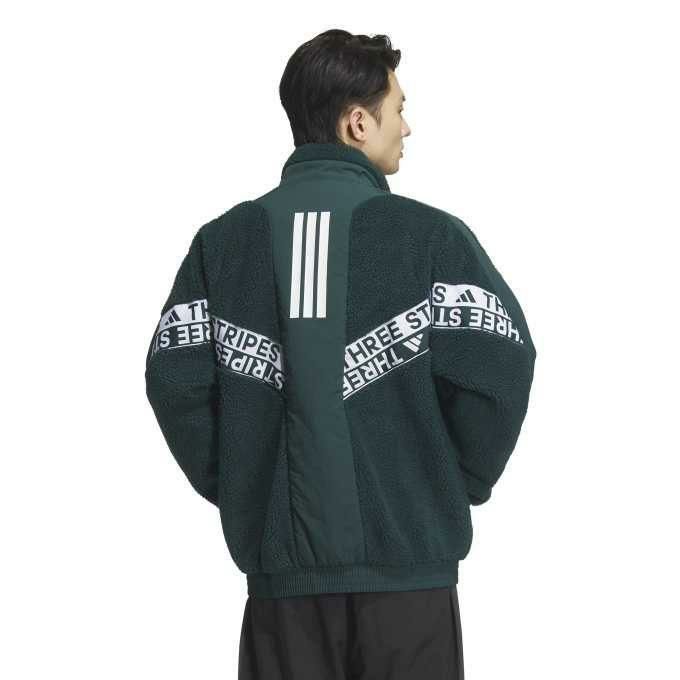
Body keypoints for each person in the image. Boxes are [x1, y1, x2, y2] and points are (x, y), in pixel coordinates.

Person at [145, 28, 536, 680]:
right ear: (358, 123)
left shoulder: (222, 244)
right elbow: (501, 367)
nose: (407, 127)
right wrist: (450, 483)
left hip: (282, 599)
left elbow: (175, 381)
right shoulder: (433, 240)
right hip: (410, 590)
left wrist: (251, 486)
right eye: (398, 108)